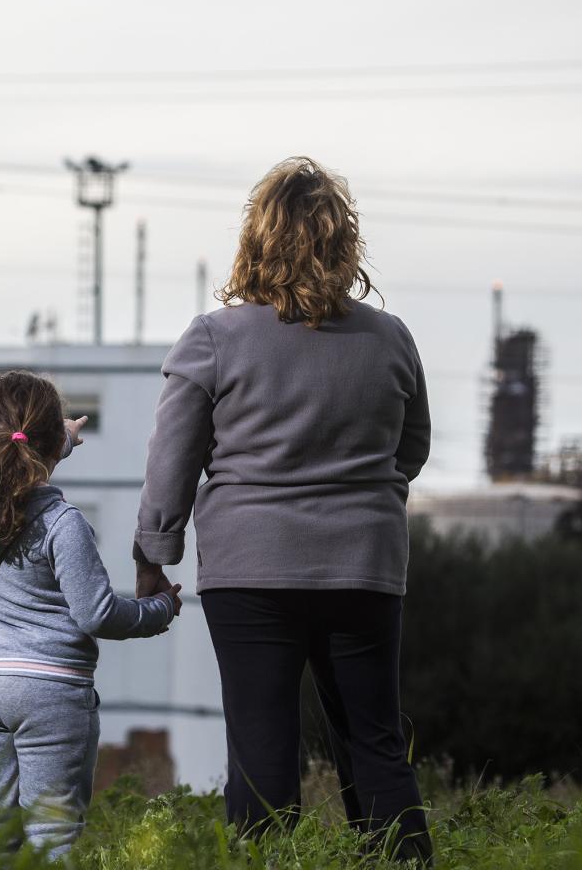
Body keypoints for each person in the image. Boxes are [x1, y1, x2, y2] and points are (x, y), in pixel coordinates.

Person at [134, 156, 434, 862]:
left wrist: (155, 555)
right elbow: (410, 450)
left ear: (257, 238)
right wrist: (359, 494)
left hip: (251, 571)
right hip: (364, 568)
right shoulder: (389, 340)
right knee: (376, 746)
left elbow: (171, 461)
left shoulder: (214, 338)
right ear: (343, 242)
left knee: (262, 752)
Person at [0, 369, 183, 860]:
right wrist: (158, 610)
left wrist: (56, 442)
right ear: (56, 445)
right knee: (51, 839)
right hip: (48, 691)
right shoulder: (63, 524)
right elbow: (97, 614)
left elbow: (12, 467)